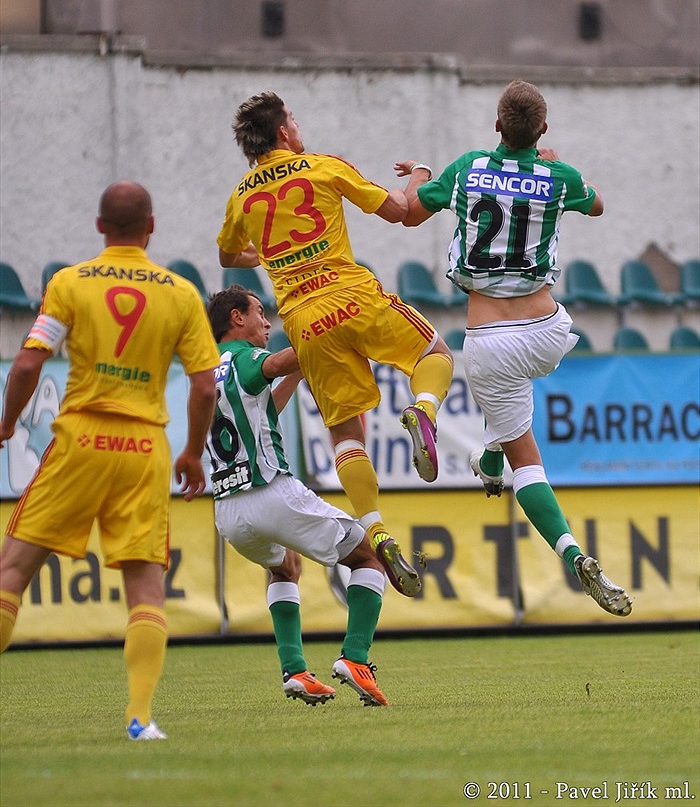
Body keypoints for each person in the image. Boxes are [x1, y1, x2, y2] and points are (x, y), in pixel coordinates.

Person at [396, 80, 632, 618]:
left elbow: (410, 211)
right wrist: (556, 163)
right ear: (542, 130)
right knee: (511, 416)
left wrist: (420, 174)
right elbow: (596, 204)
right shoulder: (556, 176)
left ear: (496, 126)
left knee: (530, 464)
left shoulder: (467, 168)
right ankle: (489, 457)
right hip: (549, 330)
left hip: (491, 340)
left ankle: (571, 552)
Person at [0, 182, 220, 739]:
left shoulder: (70, 282)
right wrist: (193, 452)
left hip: (80, 440)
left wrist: (6, 425)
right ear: (152, 227)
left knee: (10, 575)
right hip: (145, 446)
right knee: (145, 590)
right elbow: (203, 389)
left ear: (100, 227)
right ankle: (140, 717)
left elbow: (27, 366)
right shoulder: (181, 293)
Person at [216, 91, 454, 599]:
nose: (298, 126)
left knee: (347, 433)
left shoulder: (240, 196)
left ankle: (377, 528)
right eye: (294, 119)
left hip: (303, 321)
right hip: (350, 293)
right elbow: (401, 212)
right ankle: (424, 413)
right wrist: (420, 173)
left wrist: (259, 255)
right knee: (435, 356)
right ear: (284, 132)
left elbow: (226, 252)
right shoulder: (323, 167)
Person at [206, 284, 389, 705]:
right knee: (369, 558)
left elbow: (262, 400)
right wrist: (328, 325)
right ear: (237, 319)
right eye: (258, 312)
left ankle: (295, 671)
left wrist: (298, 371)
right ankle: (355, 657)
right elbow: (292, 355)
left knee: (286, 568)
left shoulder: (207, 368)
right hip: (271, 491)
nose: (267, 321)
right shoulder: (248, 357)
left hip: (228, 510)